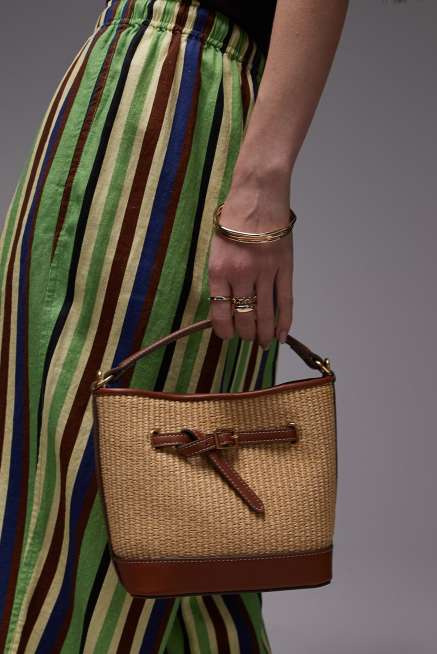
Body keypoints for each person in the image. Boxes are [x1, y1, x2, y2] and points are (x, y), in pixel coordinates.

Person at [0, 0, 349, 651]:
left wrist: (261, 184)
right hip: (129, 81)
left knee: (112, 481)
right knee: (127, 496)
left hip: (169, 98)